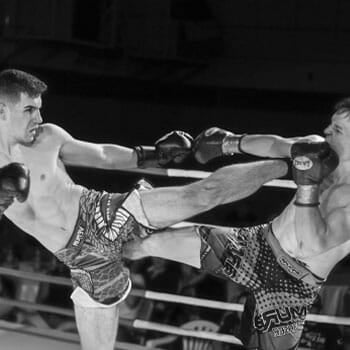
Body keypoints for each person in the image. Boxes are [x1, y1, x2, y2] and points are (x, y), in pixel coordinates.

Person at [0, 69, 289, 350]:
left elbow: (104, 156)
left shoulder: (47, 137)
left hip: (101, 215)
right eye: (29, 110)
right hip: (83, 261)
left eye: (39, 109)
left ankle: (288, 164)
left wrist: (153, 155)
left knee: (202, 194)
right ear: (2, 110)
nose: (38, 118)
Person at [124, 105, 344, 349]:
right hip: (256, 245)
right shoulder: (318, 149)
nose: (326, 131)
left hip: (290, 285)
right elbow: (276, 144)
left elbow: (311, 242)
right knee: (148, 245)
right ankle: (108, 241)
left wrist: (308, 184)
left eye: (337, 129)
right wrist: (228, 142)